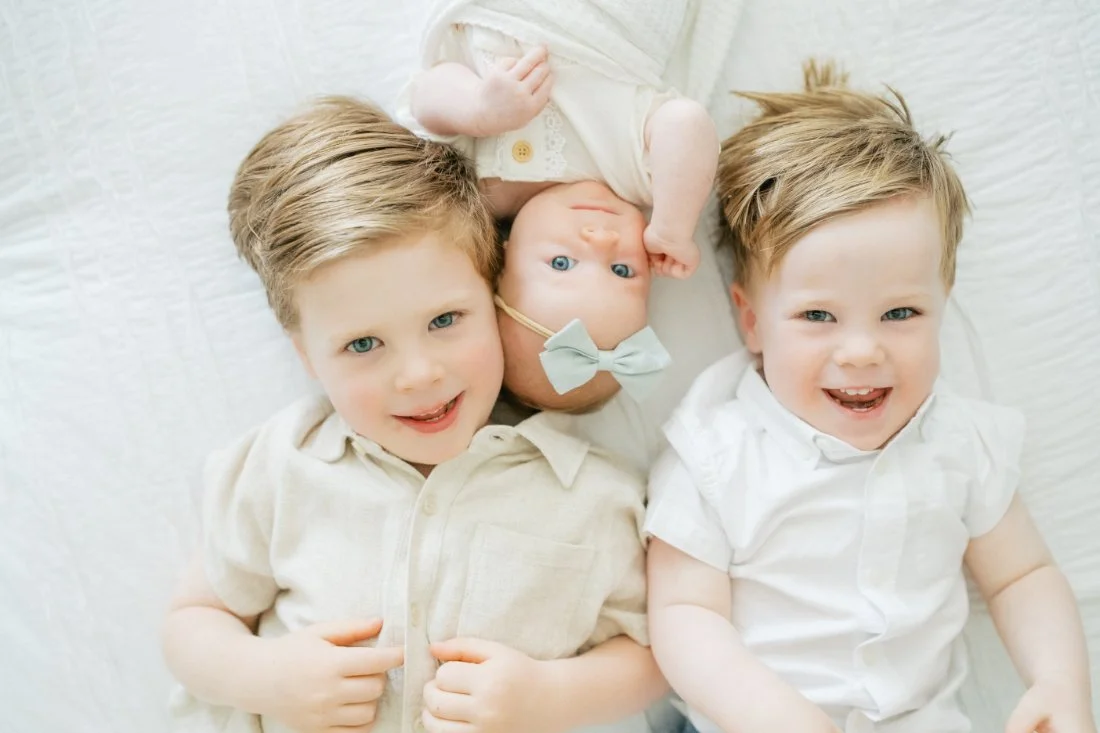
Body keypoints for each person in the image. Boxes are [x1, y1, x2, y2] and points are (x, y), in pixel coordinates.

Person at [161, 96, 666, 733]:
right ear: (307, 355)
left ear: (497, 297)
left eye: (445, 321)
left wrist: (552, 695)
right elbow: (194, 621)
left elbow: (654, 653)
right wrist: (265, 676)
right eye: (363, 345)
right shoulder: (284, 467)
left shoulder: (591, 494)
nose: (419, 374)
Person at [644, 62, 1095, 733]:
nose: (861, 351)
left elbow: (1021, 575)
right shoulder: (718, 449)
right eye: (819, 317)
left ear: (942, 304)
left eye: (901, 314)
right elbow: (683, 617)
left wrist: (1060, 682)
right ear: (751, 319)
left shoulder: (959, 442)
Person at [399, 0, 719, 413]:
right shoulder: (637, 176)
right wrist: (674, 225)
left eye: (563, 264)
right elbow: (687, 122)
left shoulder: (484, 190)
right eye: (623, 270)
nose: (601, 240)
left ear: (503, 256)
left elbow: (425, 93)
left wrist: (479, 108)